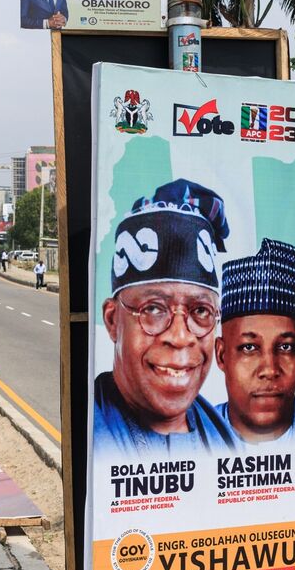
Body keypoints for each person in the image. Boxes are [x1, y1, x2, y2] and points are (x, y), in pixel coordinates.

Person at [94, 179, 235, 457]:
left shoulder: (224, 439)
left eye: (201, 311)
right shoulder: (91, 433)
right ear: (113, 320)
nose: (181, 337)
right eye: (154, 309)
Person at [215, 239, 295, 445]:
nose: (269, 370)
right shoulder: (185, 440)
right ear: (222, 355)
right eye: (249, 347)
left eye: (285, 347)